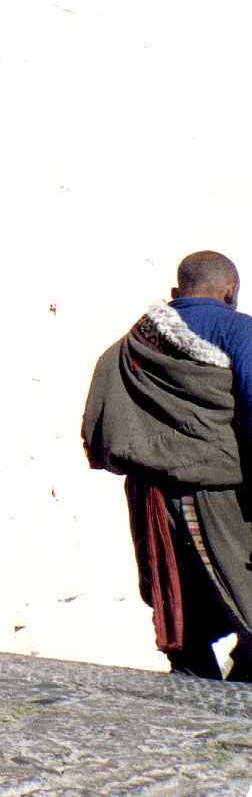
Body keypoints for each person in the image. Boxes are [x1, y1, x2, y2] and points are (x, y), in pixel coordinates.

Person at [82, 250, 252, 679]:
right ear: (231, 292)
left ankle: (196, 706)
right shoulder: (238, 330)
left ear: (176, 293)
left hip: (151, 499)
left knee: (183, 613)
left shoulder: (126, 347)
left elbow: (97, 429)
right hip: (221, 499)